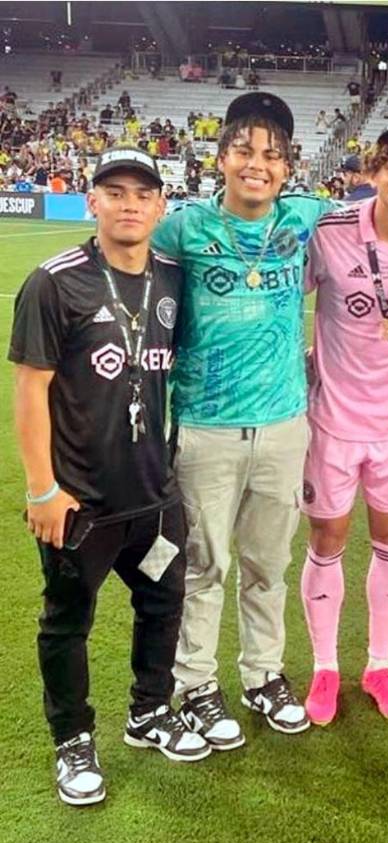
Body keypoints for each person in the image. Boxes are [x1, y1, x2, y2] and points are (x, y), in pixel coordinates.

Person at [153, 93, 388, 750]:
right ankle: (210, 684)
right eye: (244, 151)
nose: (257, 164)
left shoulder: (310, 219)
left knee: (270, 563)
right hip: (222, 422)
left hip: (297, 426)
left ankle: (278, 675)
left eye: (271, 155)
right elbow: (126, 252)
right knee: (209, 565)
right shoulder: (194, 227)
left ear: (287, 167)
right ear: (221, 157)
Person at [10, 147, 210, 807]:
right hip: (80, 503)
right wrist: (43, 489)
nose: (129, 205)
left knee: (162, 604)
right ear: (92, 200)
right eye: (115, 192)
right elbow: (30, 390)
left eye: (142, 194)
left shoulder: (173, 278)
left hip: (153, 494)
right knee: (67, 621)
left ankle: (149, 712)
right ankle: (72, 740)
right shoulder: (54, 282)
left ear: (160, 206)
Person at [299, 125, 388, 725]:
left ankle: (379, 666)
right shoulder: (329, 234)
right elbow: (284, 295)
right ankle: (325, 668)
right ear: (373, 173)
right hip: (332, 422)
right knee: (327, 542)